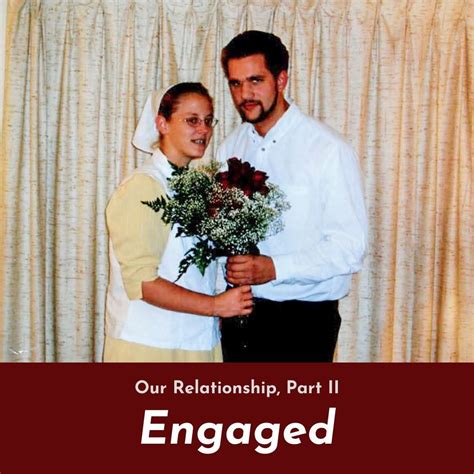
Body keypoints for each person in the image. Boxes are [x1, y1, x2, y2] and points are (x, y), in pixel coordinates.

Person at [217, 31, 368, 362]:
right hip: (238, 316)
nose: (244, 94)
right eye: (235, 83)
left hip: (303, 323)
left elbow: (349, 248)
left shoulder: (328, 150)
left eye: (255, 80)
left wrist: (275, 268)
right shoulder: (230, 147)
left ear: (281, 79)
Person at [103, 82, 253, 362]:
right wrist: (215, 305)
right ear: (162, 123)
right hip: (150, 346)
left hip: (198, 339)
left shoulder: (201, 186)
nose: (204, 130)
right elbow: (143, 283)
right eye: (192, 120)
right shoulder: (143, 187)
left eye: (208, 120)